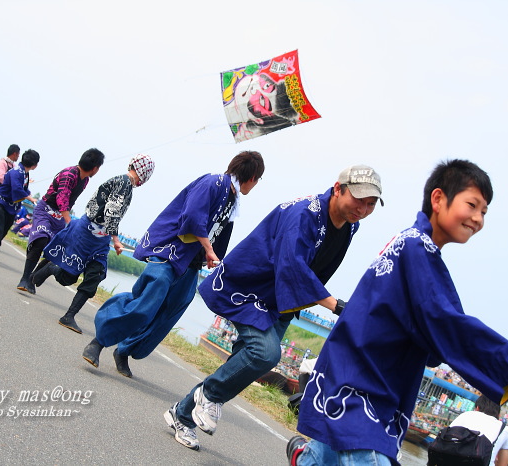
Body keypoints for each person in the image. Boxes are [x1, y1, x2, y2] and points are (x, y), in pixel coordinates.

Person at [289, 159, 508, 466]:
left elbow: (432, 325)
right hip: (363, 388)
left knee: (327, 454)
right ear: (438, 199)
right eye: (473, 205)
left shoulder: (414, 246)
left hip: (355, 377)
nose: (478, 218)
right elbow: (447, 322)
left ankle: (303, 458)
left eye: (484, 211)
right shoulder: (418, 250)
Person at [164, 164, 383, 451]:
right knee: (265, 354)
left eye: (370, 204)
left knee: (242, 365)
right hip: (250, 287)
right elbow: (292, 265)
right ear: (338, 188)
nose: (363, 209)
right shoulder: (305, 213)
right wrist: (336, 305)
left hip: (281, 301)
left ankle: (181, 414)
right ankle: (209, 394)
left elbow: (319, 267)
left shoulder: (349, 225)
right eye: (359, 199)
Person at [81, 151, 265, 381]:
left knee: (168, 314)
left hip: (191, 264)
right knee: (146, 302)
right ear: (253, 177)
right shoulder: (213, 182)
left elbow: (219, 233)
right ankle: (98, 342)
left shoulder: (232, 200)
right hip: (170, 253)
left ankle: (125, 350)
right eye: (257, 181)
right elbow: (192, 217)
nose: (255, 186)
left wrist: (212, 254)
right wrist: (208, 248)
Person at [31, 154, 155, 334]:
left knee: (95, 275)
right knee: (69, 277)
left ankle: (69, 316)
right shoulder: (124, 183)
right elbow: (112, 212)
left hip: (100, 239)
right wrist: (117, 240)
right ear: (144, 174)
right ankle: (50, 268)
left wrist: (110, 237)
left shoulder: (124, 184)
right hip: (86, 233)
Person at [15, 148, 104, 293]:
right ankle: (24, 278)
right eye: (99, 167)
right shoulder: (69, 174)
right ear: (95, 168)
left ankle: (33, 278)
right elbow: (62, 198)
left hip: (60, 217)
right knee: (41, 240)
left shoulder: (85, 180)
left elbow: (70, 201)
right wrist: (69, 222)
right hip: (45, 210)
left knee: (57, 248)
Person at [0, 150, 40, 260]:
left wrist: (29, 194)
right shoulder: (16, 171)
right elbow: (17, 188)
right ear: (35, 165)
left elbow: (23, 188)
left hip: (11, 206)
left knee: (4, 228)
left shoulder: (24, 173)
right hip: (0, 201)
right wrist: (29, 197)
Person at [446, 395, 508, 466]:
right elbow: (503, 463)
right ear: (498, 414)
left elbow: (447, 437)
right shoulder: (504, 429)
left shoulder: (466, 415)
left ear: (477, 408)